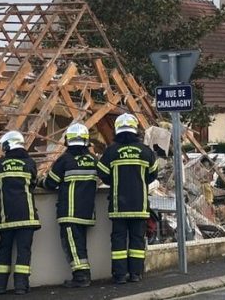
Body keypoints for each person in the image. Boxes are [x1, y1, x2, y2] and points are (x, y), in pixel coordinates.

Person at [97, 113, 158, 284]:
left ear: (117, 129)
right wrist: (140, 182)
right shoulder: (146, 152)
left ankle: (119, 275)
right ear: (135, 129)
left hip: (119, 207)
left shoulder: (111, 151)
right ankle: (136, 274)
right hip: (140, 206)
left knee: (118, 241)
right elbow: (153, 175)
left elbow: (102, 173)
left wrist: (115, 182)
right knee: (137, 240)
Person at [42, 123, 98, 288]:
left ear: (68, 140)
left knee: (73, 245)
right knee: (80, 245)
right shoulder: (93, 160)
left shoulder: (65, 160)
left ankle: (81, 277)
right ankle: (84, 275)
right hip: (87, 212)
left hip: (70, 212)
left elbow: (50, 183)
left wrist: (40, 181)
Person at [0, 130, 40, 295]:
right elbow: (33, 183)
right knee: (24, 251)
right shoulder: (30, 163)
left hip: (7, 216)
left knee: (4, 250)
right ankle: (21, 286)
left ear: (7, 145)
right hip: (27, 216)